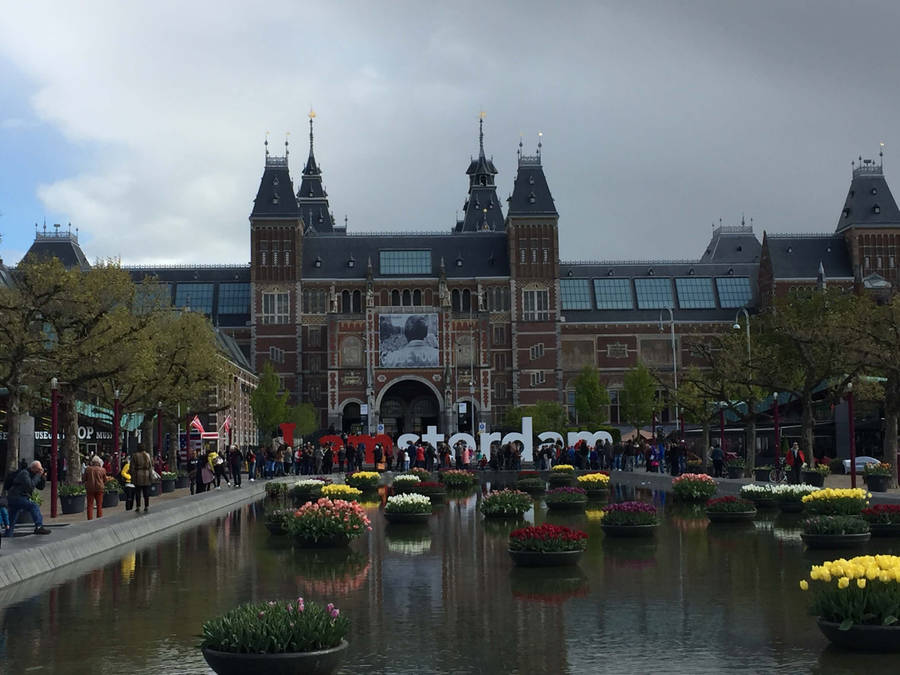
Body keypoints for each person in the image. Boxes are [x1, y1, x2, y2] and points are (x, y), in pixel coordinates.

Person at [5, 461, 52, 536]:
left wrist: (43, 477)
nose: (39, 471)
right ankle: (39, 526)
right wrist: (38, 475)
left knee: (12, 518)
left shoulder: (33, 474)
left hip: (16, 497)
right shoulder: (24, 473)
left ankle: (8, 534)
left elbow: (41, 487)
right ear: (32, 468)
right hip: (17, 497)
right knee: (33, 506)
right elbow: (30, 486)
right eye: (38, 469)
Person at [83, 456, 109, 520]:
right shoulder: (102, 469)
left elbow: (84, 479)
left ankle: (89, 519)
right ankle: (99, 519)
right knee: (99, 505)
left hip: (90, 488)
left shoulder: (88, 469)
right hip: (99, 488)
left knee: (90, 505)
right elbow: (105, 480)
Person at [131, 448, 153, 513]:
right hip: (146, 474)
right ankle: (146, 506)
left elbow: (132, 467)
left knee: (138, 492)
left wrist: (132, 475)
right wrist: (151, 476)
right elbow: (150, 466)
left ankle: (138, 506)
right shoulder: (147, 455)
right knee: (146, 492)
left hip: (138, 475)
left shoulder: (135, 455)